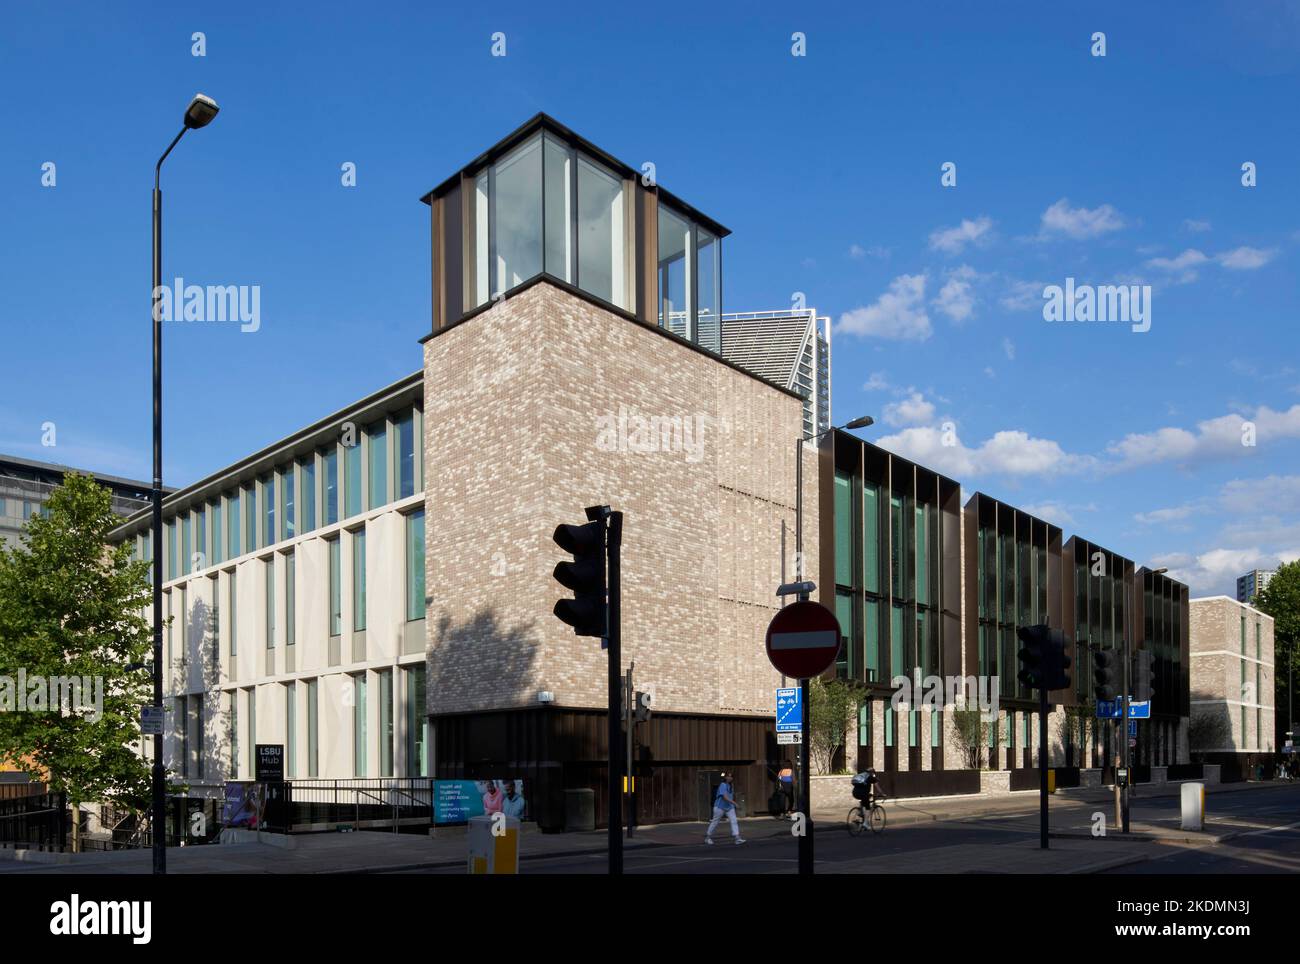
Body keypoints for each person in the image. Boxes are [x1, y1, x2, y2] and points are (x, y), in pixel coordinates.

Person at [706, 773, 745, 845]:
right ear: (725, 777)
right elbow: (724, 797)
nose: (730, 778)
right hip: (720, 807)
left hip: (729, 807)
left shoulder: (731, 786)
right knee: (715, 822)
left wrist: (733, 804)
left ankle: (737, 838)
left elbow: (730, 796)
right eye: (728, 776)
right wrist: (735, 803)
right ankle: (708, 837)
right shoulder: (722, 785)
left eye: (731, 776)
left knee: (734, 821)